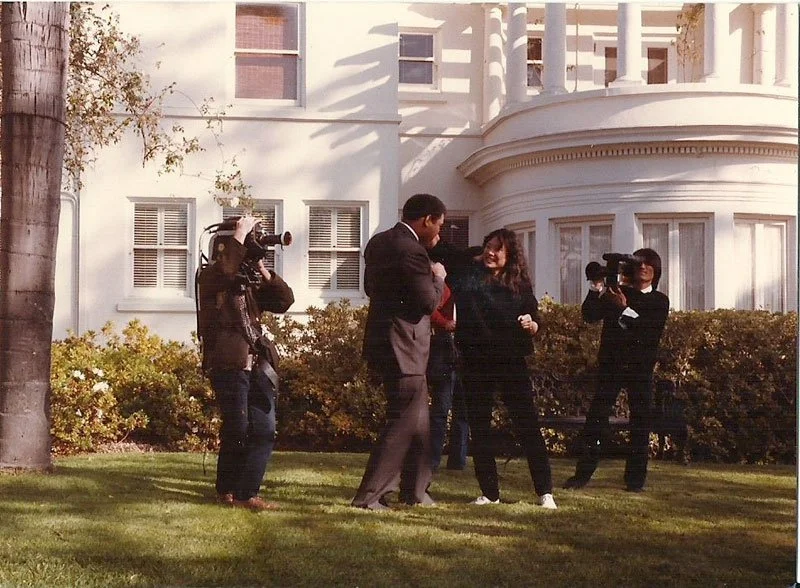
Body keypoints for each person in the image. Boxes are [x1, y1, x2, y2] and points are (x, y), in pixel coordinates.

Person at [431, 228, 557, 509]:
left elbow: (535, 316)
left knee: (527, 424)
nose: (491, 252)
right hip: (475, 361)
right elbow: (441, 249)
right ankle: (490, 493)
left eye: (498, 248)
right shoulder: (468, 274)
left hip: (511, 360)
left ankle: (545, 492)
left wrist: (531, 324)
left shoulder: (519, 284)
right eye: (489, 245)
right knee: (480, 426)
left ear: (509, 254)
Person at [351, 193, 447, 510]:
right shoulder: (414, 253)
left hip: (384, 342)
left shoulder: (379, 243)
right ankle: (368, 497)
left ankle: (415, 491)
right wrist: (438, 278)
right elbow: (427, 303)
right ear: (426, 220)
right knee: (403, 421)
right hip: (404, 346)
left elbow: (371, 289)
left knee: (420, 421)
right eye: (439, 226)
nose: (439, 234)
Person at [197, 215, 295, 511]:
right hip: (228, 362)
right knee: (237, 427)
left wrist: (263, 269)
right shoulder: (212, 276)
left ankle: (247, 493)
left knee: (264, 428)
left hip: (257, 363)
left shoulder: (249, 280)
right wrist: (240, 234)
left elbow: (284, 300)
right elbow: (226, 270)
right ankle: (228, 489)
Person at [563, 248, 669, 493]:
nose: (643, 268)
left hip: (640, 369)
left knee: (640, 424)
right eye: (639, 264)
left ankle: (635, 481)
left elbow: (646, 331)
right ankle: (581, 476)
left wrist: (622, 309)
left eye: (648, 264)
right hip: (611, 365)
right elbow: (589, 315)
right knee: (595, 420)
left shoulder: (659, 300)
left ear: (656, 271)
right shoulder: (618, 293)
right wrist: (595, 287)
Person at [427, 281, 469, 471]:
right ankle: (433, 460)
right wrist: (446, 324)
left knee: (463, 411)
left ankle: (457, 461)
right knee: (440, 410)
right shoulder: (444, 287)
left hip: (465, 354)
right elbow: (430, 309)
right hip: (445, 351)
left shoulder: (470, 290)